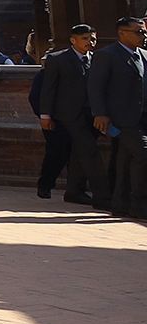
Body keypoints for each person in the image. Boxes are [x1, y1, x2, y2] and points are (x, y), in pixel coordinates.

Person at [36, 25, 104, 204]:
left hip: (92, 114)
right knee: (90, 152)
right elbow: (48, 89)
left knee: (78, 154)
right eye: (85, 38)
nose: (90, 42)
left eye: (93, 39)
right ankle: (103, 196)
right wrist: (45, 115)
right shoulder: (58, 59)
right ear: (73, 40)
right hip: (68, 115)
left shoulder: (98, 59)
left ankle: (75, 190)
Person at [88, 17, 147, 218]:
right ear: (122, 33)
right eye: (138, 32)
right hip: (122, 118)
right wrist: (100, 113)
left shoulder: (144, 55)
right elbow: (96, 87)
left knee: (125, 160)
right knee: (143, 155)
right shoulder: (107, 56)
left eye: (144, 31)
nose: (144, 35)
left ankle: (120, 203)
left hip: (143, 118)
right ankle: (139, 203)